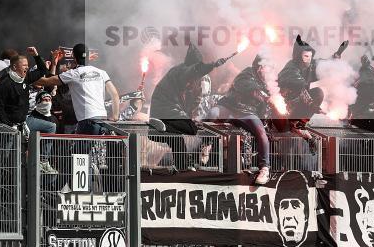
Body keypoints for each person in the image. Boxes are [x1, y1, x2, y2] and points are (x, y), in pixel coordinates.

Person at [0, 48, 48, 209]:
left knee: (51, 126)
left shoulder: (25, 78)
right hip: (9, 128)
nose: (27, 67)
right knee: (1, 159)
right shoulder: (6, 83)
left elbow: (43, 71)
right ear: (14, 67)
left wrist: (36, 55)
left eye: (27, 64)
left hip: (23, 123)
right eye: (24, 65)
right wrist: (9, 125)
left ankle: (44, 161)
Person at [148, 44, 225, 171]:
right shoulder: (182, 70)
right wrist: (213, 65)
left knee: (177, 140)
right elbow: (194, 71)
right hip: (165, 110)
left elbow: (194, 100)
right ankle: (164, 126)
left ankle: (182, 169)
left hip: (169, 112)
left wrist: (191, 116)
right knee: (191, 129)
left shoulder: (190, 80)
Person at [208, 54, 273, 184]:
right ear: (259, 67)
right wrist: (265, 97)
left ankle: (264, 168)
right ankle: (206, 146)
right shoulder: (246, 74)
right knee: (213, 113)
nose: (269, 70)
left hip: (247, 113)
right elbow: (246, 86)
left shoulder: (270, 83)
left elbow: (265, 108)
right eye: (266, 66)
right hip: (229, 107)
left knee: (261, 132)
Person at [277, 35, 348, 138]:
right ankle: (297, 124)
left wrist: (337, 54)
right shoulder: (290, 69)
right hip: (284, 111)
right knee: (318, 93)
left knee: (318, 93)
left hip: (298, 106)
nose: (309, 59)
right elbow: (301, 89)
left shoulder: (310, 66)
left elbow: (324, 65)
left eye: (310, 56)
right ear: (298, 56)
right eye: (306, 56)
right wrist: (313, 105)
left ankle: (300, 124)